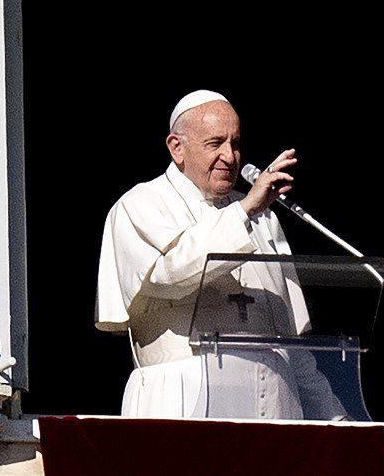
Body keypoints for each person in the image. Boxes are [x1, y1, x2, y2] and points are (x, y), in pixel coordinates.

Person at [94, 89, 350, 421]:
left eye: (236, 143)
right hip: (185, 402)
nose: (230, 156)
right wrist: (244, 211)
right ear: (177, 148)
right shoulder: (141, 204)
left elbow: (290, 343)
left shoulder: (263, 216)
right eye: (215, 144)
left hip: (275, 406)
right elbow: (168, 276)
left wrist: (339, 421)